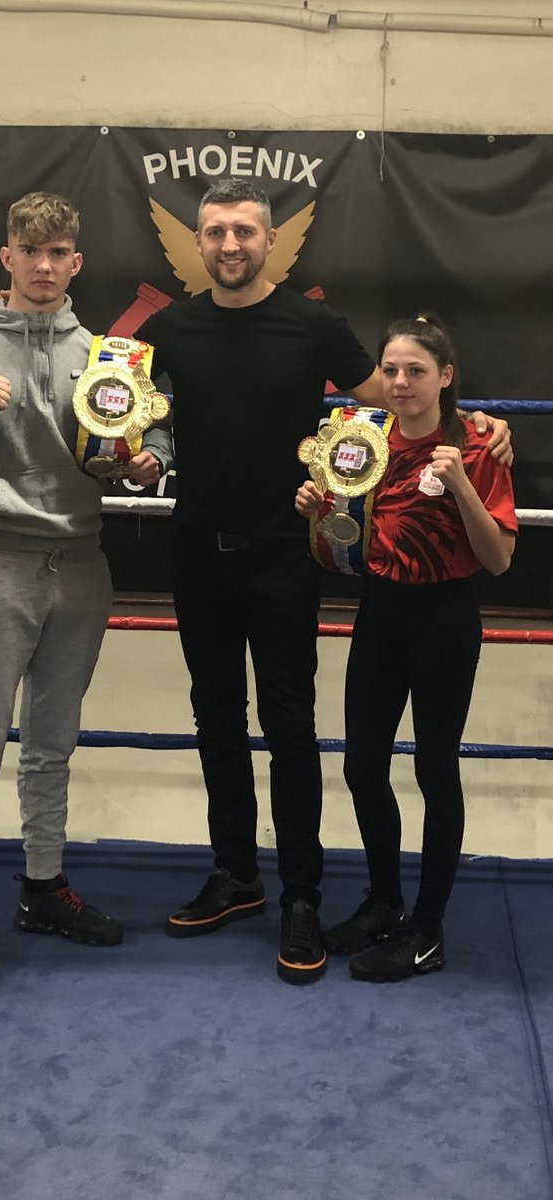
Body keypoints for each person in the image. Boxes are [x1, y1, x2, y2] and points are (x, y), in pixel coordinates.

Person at [0, 179, 511, 987]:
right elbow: (99, 379)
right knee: (214, 717)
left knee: (288, 725)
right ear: (198, 241)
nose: (229, 245)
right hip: (197, 549)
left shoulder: (313, 323)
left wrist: (479, 427)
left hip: (285, 556)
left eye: (244, 232)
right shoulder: (170, 326)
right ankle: (236, 876)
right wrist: (0, 316)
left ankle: (300, 893)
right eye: (215, 232)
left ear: (268, 240)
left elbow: (395, 404)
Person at [0, 191, 172, 997]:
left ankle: (43, 887)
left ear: (76, 263)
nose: (45, 267)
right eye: (32, 251)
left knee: (52, 742)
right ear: (7, 257)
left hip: (82, 562)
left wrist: (150, 464)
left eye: (60, 254)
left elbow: (146, 433)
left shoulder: (110, 355)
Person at [296, 314, 517, 983]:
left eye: (415, 370)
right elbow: (344, 553)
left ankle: (427, 930)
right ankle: (385, 902)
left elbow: (500, 559)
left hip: (445, 617)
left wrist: (460, 487)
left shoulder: (478, 445)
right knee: (363, 767)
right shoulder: (362, 442)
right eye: (390, 370)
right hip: (381, 611)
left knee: (433, 769)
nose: (398, 382)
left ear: (445, 377)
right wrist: (319, 516)